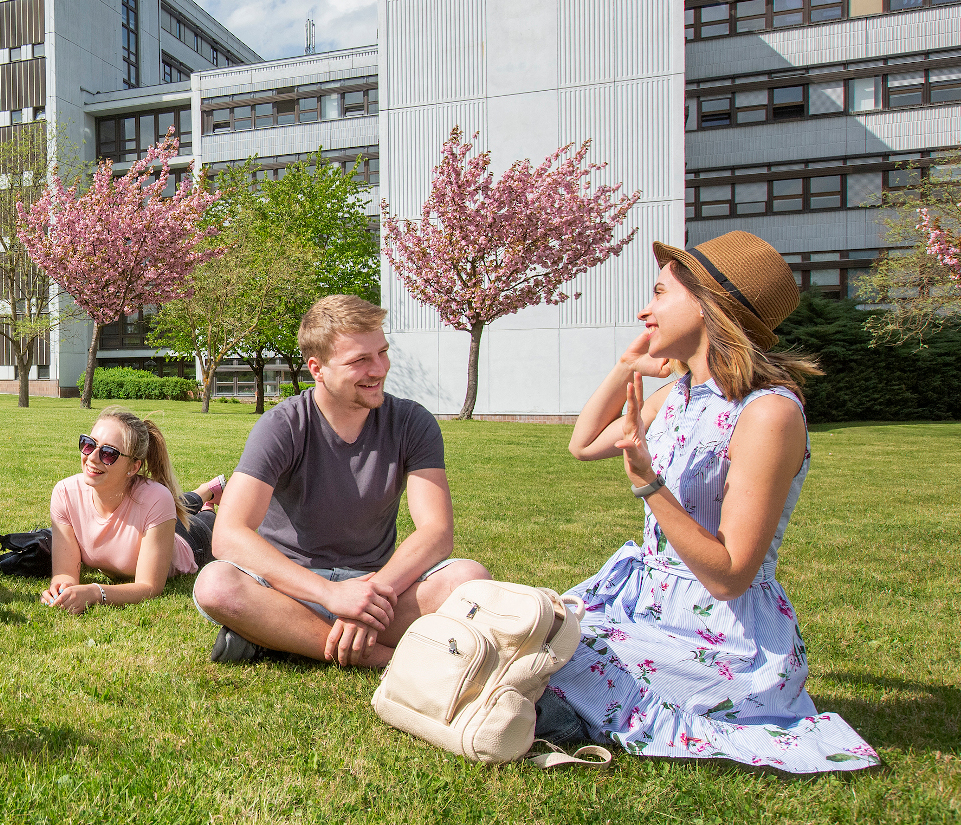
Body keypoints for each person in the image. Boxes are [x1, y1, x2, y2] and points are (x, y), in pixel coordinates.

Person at [550, 230, 878, 773]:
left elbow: (730, 576)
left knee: (547, 648)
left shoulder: (768, 413)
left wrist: (649, 485)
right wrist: (627, 364)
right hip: (646, 604)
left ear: (707, 304)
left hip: (725, 637)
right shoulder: (677, 396)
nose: (645, 311)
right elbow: (582, 445)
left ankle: (558, 713)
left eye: (660, 293)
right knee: (526, 625)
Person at [191, 295, 492, 666]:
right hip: (290, 588)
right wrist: (330, 595)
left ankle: (279, 637)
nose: (379, 369)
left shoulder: (412, 423)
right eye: (360, 360)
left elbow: (437, 531)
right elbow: (228, 534)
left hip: (378, 587)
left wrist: (370, 596)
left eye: (382, 353)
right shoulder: (282, 426)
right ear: (317, 369)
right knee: (216, 585)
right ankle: (384, 658)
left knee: (470, 580)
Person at [40, 407, 225, 613]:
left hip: (192, 540)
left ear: (133, 467)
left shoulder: (156, 498)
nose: (92, 457)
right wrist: (62, 588)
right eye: (88, 444)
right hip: (156, 522)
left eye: (108, 453)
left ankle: (208, 501)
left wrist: (95, 592)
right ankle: (206, 491)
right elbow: (66, 573)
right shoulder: (65, 493)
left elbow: (149, 586)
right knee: (177, 505)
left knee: (208, 519)